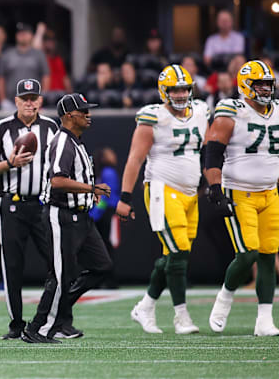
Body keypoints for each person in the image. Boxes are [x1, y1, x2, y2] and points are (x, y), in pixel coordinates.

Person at [116, 65, 208, 335]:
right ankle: (181, 317)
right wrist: (125, 197)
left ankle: (145, 306)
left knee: (176, 254)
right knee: (178, 251)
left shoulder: (202, 111)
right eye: (175, 90)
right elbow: (135, 158)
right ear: (163, 91)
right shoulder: (153, 117)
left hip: (190, 194)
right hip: (161, 189)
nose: (180, 94)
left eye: (184, 89)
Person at [22, 93, 113, 344]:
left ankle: (61, 311)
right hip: (61, 215)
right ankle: (38, 328)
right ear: (69, 116)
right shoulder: (62, 141)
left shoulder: (77, 141)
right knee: (61, 274)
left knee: (101, 266)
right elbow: (57, 181)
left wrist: (88, 194)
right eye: (83, 111)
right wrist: (91, 189)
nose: (88, 114)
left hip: (81, 216)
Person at [205, 60, 279, 336]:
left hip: (270, 192)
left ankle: (264, 320)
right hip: (239, 191)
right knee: (248, 254)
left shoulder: (278, 111)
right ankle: (224, 298)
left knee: (269, 256)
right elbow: (212, 151)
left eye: (267, 83)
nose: (265, 89)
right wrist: (214, 187)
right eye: (259, 84)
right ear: (246, 85)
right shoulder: (231, 110)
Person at [0, 79, 58, 339]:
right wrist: (9, 163)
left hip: (43, 204)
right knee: (12, 266)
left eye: (33, 97)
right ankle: (16, 324)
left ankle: (52, 321)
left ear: (40, 101)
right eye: (24, 97)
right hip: (12, 203)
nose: (29, 102)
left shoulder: (51, 127)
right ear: (15, 101)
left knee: (57, 263)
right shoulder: (2, 127)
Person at [0, 23, 50, 111]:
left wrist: (42, 98)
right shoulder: (7, 54)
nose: (22, 36)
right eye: (20, 33)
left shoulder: (39, 54)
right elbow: (0, 78)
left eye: (25, 33)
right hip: (11, 102)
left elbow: (46, 76)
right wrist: (3, 100)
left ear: (31, 35)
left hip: (33, 102)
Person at [88, 147, 120, 288]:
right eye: (109, 154)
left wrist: (94, 215)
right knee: (104, 246)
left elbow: (105, 197)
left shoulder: (108, 172)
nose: (113, 156)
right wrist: (95, 214)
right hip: (105, 212)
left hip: (107, 213)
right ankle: (105, 279)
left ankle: (109, 280)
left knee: (106, 245)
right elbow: (104, 196)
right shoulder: (106, 172)